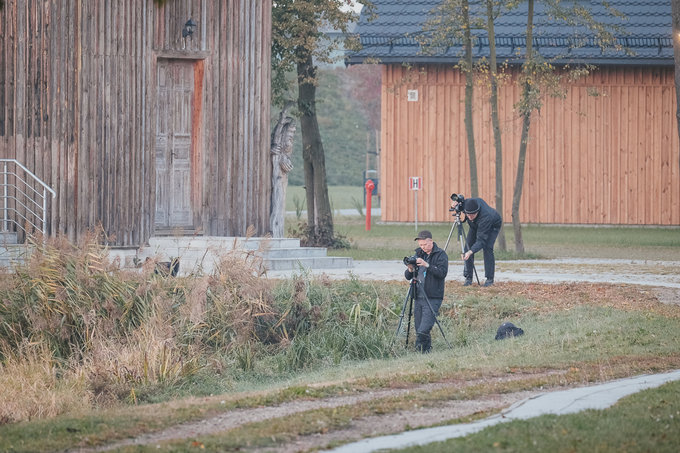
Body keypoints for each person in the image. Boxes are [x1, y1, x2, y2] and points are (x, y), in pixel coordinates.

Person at [404, 230, 448, 353]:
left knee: (424, 329)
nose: (422, 247)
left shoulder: (441, 255)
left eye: (424, 244)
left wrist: (427, 265)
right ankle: (426, 352)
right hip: (418, 296)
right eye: (420, 245)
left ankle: (418, 352)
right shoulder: (418, 253)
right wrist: (410, 268)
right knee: (419, 328)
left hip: (433, 296)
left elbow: (442, 273)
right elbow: (408, 276)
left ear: (431, 242)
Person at [452, 197, 502, 287]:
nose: (470, 217)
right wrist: (455, 205)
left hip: (492, 224)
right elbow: (459, 202)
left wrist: (471, 252)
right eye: (468, 214)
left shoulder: (486, 217)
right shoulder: (466, 204)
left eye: (473, 214)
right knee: (467, 247)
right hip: (475, 225)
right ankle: (468, 278)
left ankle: (489, 279)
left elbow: (481, 241)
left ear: (478, 211)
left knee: (487, 248)